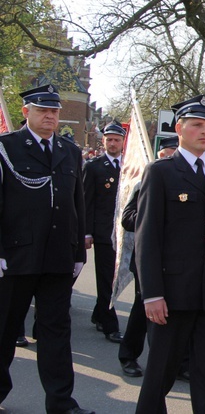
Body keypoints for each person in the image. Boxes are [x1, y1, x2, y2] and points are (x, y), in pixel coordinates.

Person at [134, 95, 205, 413]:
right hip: (172, 292)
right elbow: (148, 238)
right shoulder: (161, 172)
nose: (204, 132)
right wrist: (151, 293)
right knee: (161, 372)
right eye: (197, 125)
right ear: (179, 128)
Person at [0, 85, 93, 414]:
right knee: (5, 329)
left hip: (57, 257)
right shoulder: (6, 149)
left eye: (54, 112)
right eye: (43, 111)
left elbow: (76, 204)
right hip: (17, 256)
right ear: (26, 112)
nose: (51, 117)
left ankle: (61, 403)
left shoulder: (70, 151)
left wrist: (79, 252)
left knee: (56, 333)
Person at [117, 136, 179, 378]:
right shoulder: (148, 180)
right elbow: (128, 218)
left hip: (180, 261)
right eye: (167, 154)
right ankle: (129, 355)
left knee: (178, 314)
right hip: (150, 259)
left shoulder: (192, 180)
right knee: (144, 310)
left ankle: (177, 362)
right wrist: (154, 218)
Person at [83, 121, 126, 343]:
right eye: (109, 139)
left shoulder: (130, 167)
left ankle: (99, 314)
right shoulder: (93, 167)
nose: (112, 143)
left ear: (122, 142)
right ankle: (110, 325)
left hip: (123, 233)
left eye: (116, 139)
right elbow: (86, 202)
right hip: (102, 233)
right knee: (107, 279)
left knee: (115, 277)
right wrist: (86, 232)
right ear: (104, 141)